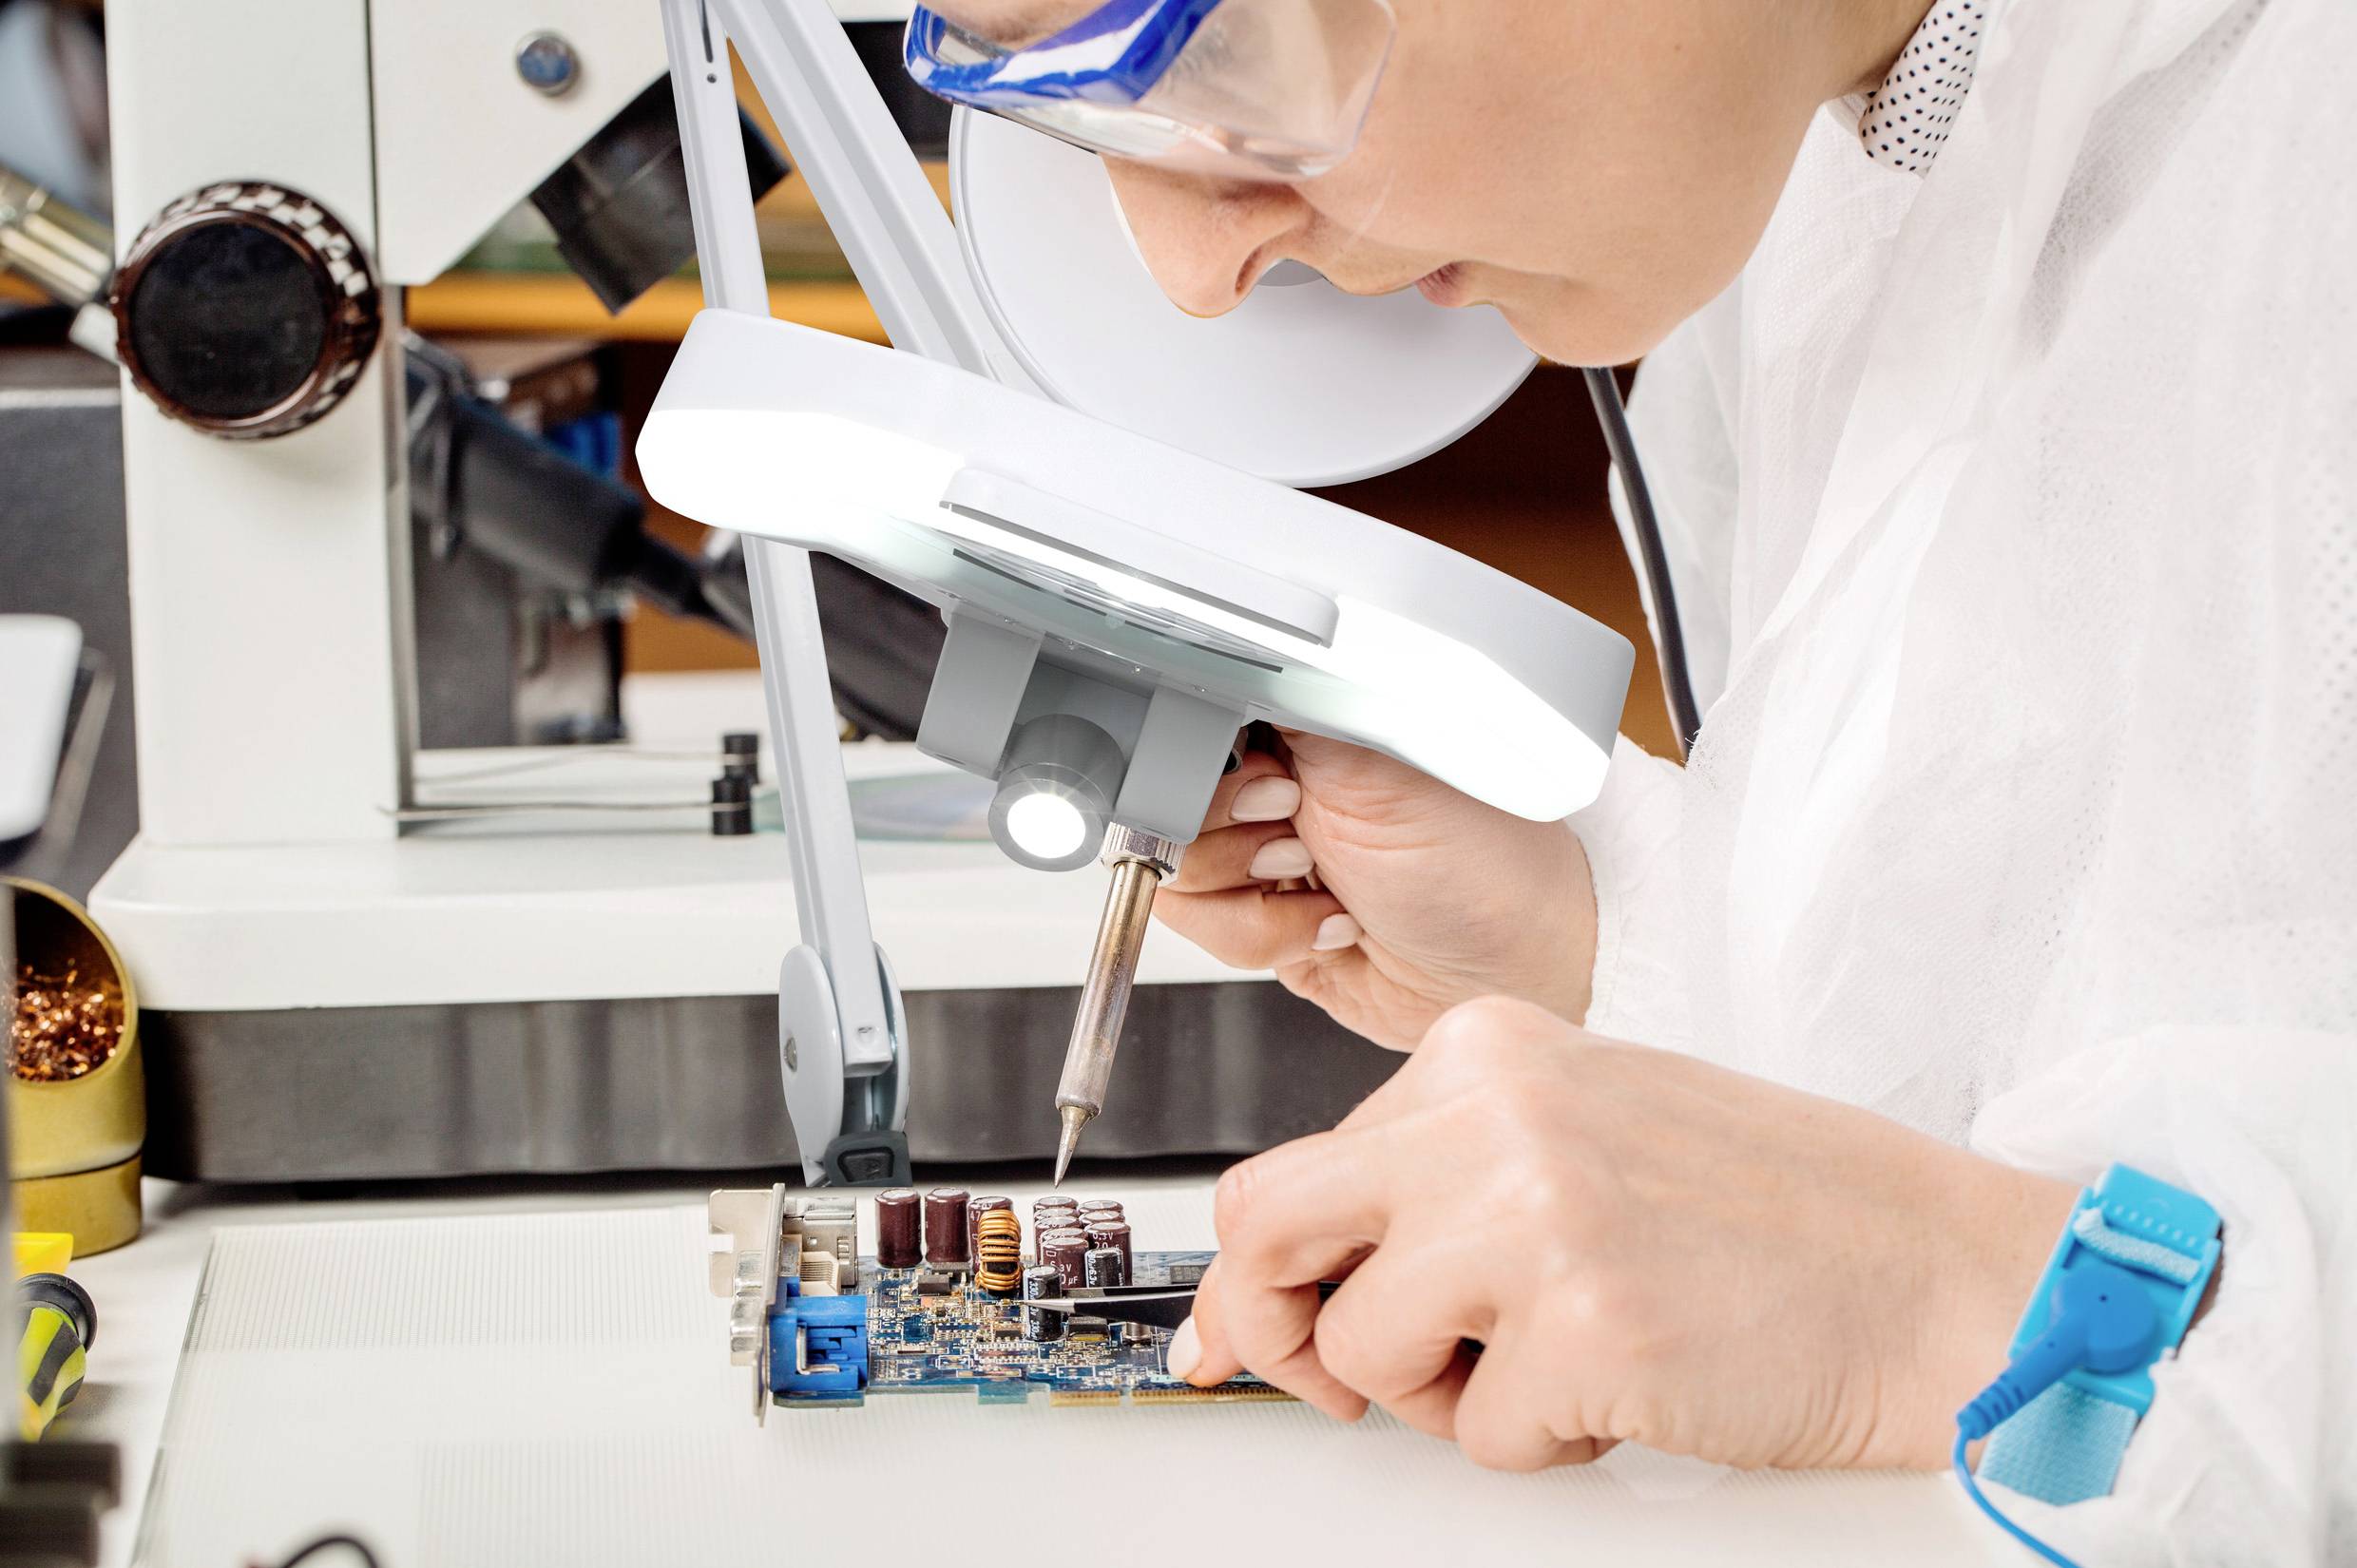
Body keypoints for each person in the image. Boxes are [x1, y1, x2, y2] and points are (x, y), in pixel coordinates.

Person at [909, 2, 2355, 1559]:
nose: (1196, 275)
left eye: (1223, 58)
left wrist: (1959, 1299)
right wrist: (1599, 941)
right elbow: (1987, 1050)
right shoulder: (1804, 186)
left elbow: (1974, 1286)